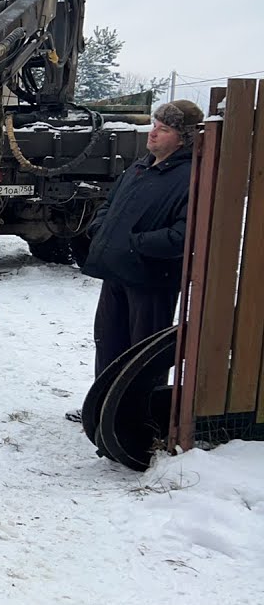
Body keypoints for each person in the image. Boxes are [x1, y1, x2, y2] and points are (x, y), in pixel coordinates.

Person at [71, 99, 204, 421]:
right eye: (155, 125)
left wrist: (135, 244)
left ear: (184, 138)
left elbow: (185, 234)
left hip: (151, 280)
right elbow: (109, 205)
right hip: (117, 273)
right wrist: (101, 228)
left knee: (143, 353)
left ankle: (137, 419)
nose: (154, 133)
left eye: (165, 129)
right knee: (108, 342)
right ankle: (103, 409)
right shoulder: (140, 166)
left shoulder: (191, 176)